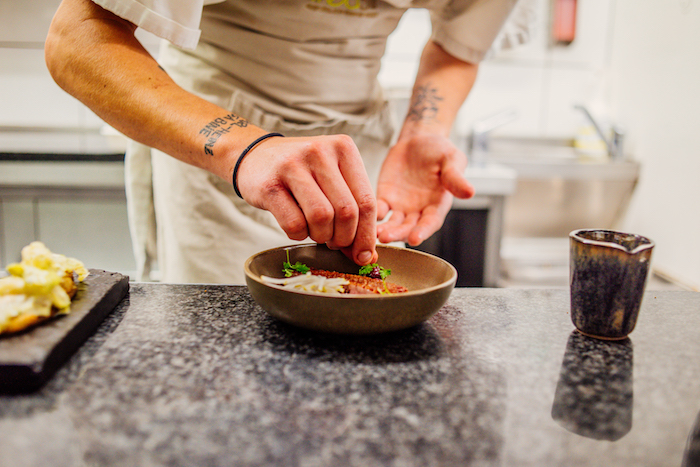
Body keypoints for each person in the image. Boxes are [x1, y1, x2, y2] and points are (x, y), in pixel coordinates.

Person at [45, 0, 530, 284]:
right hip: (218, 158)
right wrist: (249, 149)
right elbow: (77, 39)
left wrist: (424, 129)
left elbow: (459, 43)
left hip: (359, 157)